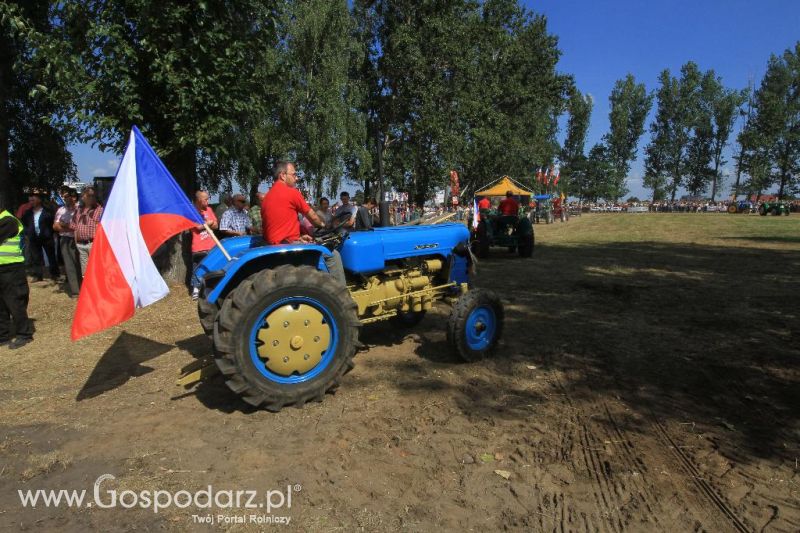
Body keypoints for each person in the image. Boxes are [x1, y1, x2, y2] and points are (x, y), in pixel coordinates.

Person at [262, 161, 346, 285]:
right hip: (288, 246)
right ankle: (341, 294)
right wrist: (323, 225)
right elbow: (312, 216)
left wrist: (299, 237)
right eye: (294, 175)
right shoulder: (292, 192)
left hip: (279, 244)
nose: (296, 178)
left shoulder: (267, 197)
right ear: (282, 175)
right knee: (333, 255)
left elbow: (278, 227)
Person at [0, 204, 34, 349]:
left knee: (15, 302)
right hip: (2, 268)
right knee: (1, 304)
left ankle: (24, 334)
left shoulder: (8, 220)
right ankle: (3, 335)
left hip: (12, 269)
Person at [21, 192, 59, 281]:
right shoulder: (28, 213)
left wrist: (51, 232)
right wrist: (28, 232)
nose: (31, 202)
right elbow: (24, 224)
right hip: (33, 237)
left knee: (51, 256)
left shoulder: (47, 211)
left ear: (39, 200)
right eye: (30, 200)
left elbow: (52, 222)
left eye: (33, 200)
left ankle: (54, 274)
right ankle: (38, 275)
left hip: (46, 237)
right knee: (35, 256)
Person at [189, 191, 218, 300]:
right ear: (199, 200)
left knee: (211, 268)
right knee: (198, 268)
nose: (208, 201)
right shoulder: (193, 212)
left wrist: (208, 223)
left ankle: (208, 289)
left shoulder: (209, 210)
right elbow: (198, 227)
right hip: (199, 246)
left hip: (211, 245)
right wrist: (209, 223)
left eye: (208, 198)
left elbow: (216, 225)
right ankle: (196, 290)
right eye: (205, 199)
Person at [53, 188, 82, 297]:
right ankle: (76, 291)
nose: (64, 199)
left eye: (66, 196)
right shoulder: (60, 210)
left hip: (78, 239)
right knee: (69, 265)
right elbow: (55, 226)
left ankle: (85, 287)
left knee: (81, 264)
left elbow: (81, 227)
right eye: (63, 197)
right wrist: (68, 227)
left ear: (73, 197)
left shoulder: (81, 209)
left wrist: (65, 225)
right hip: (65, 239)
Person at [70, 188, 103, 275]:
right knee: (85, 272)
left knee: (96, 270)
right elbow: (74, 226)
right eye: (88, 195)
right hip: (81, 245)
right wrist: (76, 242)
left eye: (92, 195)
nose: (90, 197)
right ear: (83, 197)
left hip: (93, 244)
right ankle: (87, 288)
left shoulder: (100, 210)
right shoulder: (78, 210)